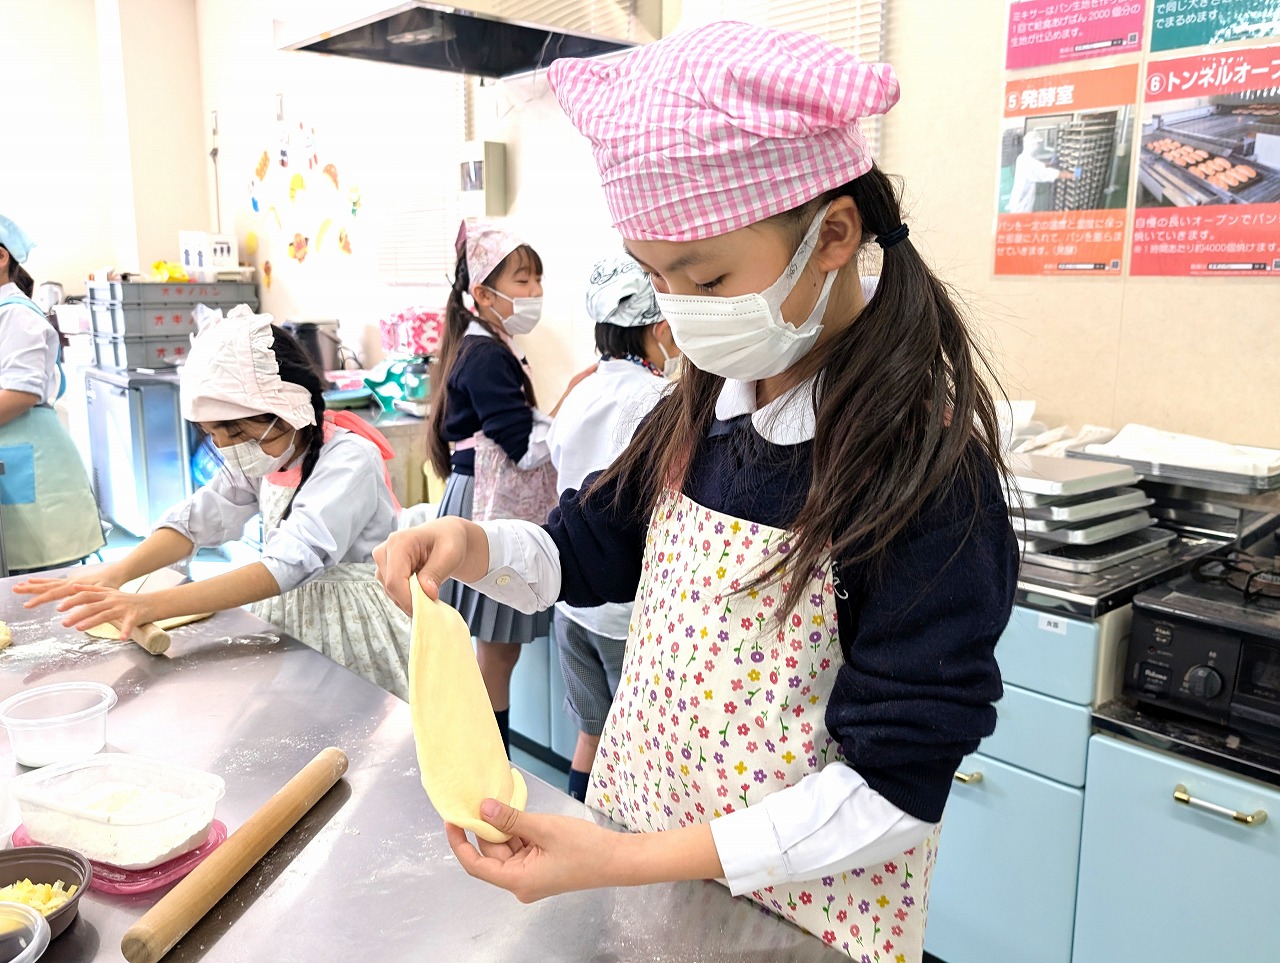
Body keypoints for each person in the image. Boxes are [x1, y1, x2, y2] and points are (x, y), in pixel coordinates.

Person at [375, 23, 1018, 962]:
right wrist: (474, 546)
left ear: (834, 234)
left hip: (794, 920)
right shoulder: (704, 408)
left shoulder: (921, 470)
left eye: (706, 277)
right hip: (643, 875)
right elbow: (588, 548)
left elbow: (894, 788)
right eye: (656, 277)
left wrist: (627, 860)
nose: (677, 312)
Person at [17, 307, 411, 698]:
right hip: (290, 613)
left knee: (351, 715)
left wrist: (149, 606)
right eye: (213, 436)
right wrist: (117, 574)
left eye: (236, 434)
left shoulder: (348, 459)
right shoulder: (268, 453)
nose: (228, 449)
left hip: (355, 624)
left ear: (287, 411)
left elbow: (290, 563)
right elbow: (199, 519)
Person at [428, 219, 589, 753]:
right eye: (523, 281)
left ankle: (482, 755)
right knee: (496, 654)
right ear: (482, 293)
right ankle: (487, 759)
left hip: (478, 498)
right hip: (487, 503)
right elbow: (522, 446)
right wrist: (572, 403)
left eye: (538, 280)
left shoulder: (488, 345)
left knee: (496, 652)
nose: (535, 292)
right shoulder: (486, 355)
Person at [546, 255, 678, 801]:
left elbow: (557, 461)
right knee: (636, 750)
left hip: (570, 605)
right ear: (660, 328)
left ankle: (576, 830)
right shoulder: (661, 399)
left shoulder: (580, 390)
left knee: (592, 734)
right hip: (625, 614)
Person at [0, 214, 104, 573]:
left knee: (36, 591)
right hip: (16, 469)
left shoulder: (16, 316)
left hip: (34, 473)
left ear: (1, 257)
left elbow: (20, 394)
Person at [1008, 129, 1076, 213]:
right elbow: (1051, 173)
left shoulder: (1021, 158)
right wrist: (1073, 175)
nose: (1039, 146)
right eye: (1038, 144)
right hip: (1021, 207)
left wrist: (1050, 164)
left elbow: (1038, 166)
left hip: (1016, 201)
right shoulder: (1030, 163)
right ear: (1033, 144)